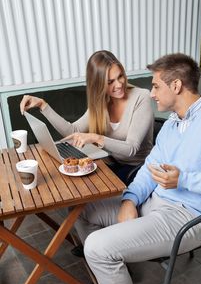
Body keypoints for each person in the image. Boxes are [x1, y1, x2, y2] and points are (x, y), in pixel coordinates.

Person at [73, 53, 201, 284]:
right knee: (82, 211)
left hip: (186, 217)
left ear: (176, 85)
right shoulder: (172, 125)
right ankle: (112, 279)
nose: (151, 92)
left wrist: (184, 180)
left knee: (97, 247)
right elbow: (149, 169)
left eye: (156, 85)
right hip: (152, 204)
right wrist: (130, 200)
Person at [20, 50, 154, 184]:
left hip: (136, 169)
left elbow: (131, 149)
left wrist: (95, 137)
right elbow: (73, 131)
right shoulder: (102, 101)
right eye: (110, 82)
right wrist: (43, 106)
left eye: (120, 76)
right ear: (98, 84)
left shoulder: (142, 97)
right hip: (109, 162)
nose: (119, 84)